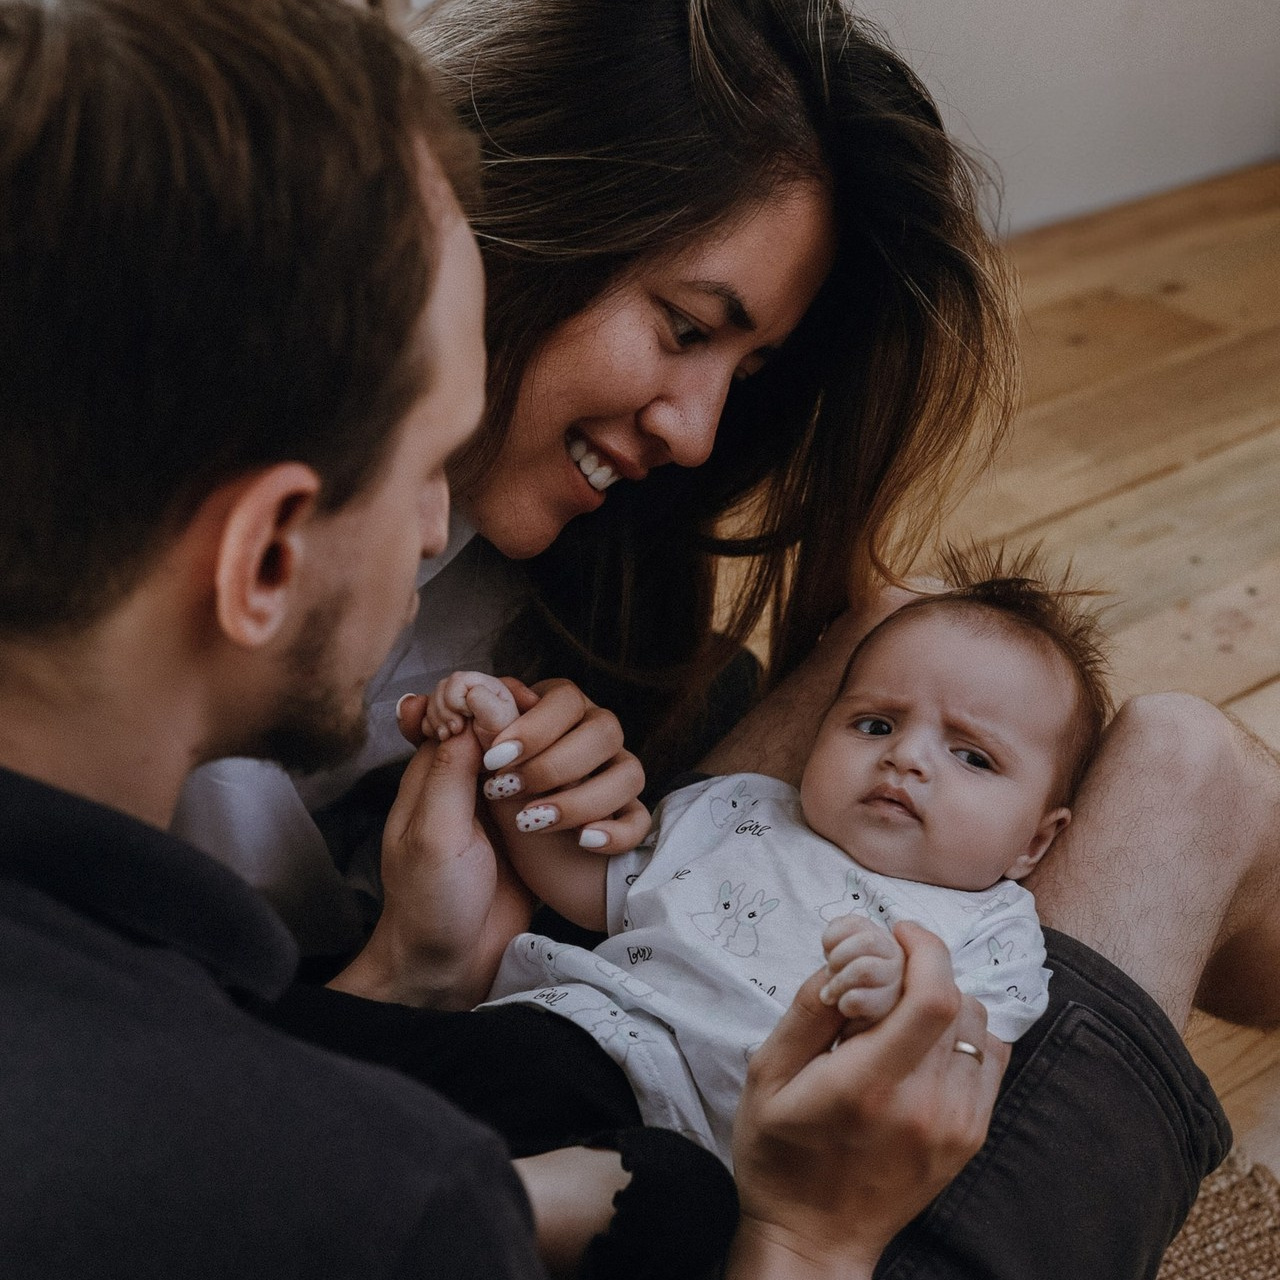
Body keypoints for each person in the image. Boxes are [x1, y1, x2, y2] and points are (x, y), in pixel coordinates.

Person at [0, 2, 1004, 1278]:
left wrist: (410, 969)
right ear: (261, 550)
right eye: (686, 327)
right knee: (1182, 775)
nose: (432, 536)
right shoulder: (376, 1189)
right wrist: (806, 1235)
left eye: (740, 375)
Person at [171, 0, 1019, 963]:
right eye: (686, 329)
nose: (698, 436)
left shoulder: (567, 595)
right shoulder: (148, 566)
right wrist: (414, 974)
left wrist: (534, 839)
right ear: (505, 212)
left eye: (742, 377)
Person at [381, 548, 1107, 1270]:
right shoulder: (741, 808)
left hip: (681, 1144)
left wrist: (890, 1010)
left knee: (674, 1200)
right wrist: (504, 767)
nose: (907, 758)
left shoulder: (994, 935)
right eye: (874, 725)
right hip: (545, 1031)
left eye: (973, 757)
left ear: (1034, 843)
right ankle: (371, 1169)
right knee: (436, 1074)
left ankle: (440, 1201)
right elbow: (599, 889)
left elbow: (949, 1072)